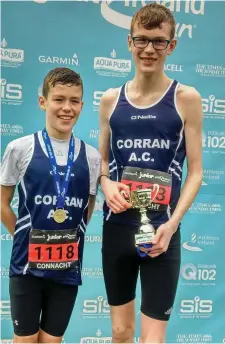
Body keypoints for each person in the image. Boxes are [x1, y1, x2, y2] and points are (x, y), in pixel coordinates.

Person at [99, 3, 203, 343]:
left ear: (171, 46)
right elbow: (101, 163)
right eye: (141, 40)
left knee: (152, 339)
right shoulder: (110, 100)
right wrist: (105, 183)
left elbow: (196, 173)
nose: (148, 49)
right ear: (129, 42)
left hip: (162, 234)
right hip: (117, 230)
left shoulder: (186, 98)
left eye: (158, 41)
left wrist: (171, 226)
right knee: (120, 332)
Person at [1, 67, 101, 343]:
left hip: (67, 269)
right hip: (26, 267)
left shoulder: (91, 156)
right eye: (58, 99)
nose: (66, 108)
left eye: (73, 101)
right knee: (25, 340)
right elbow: (3, 202)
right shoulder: (20, 148)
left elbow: (87, 209)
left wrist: (61, 237)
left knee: (52, 341)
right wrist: (24, 236)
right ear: (43, 101)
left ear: (82, 105)